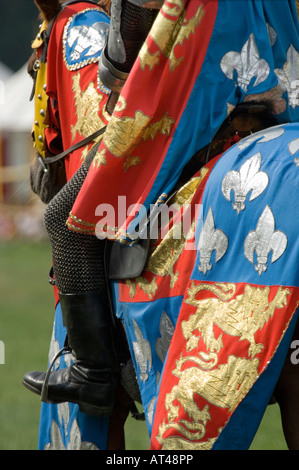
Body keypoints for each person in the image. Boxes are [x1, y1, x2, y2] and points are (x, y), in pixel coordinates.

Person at [24, 0, 299, 448]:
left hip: (195, 113)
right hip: (275, 107)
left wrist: (117, 62)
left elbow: (125, 54)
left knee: (64, 221)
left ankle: (92, 373)